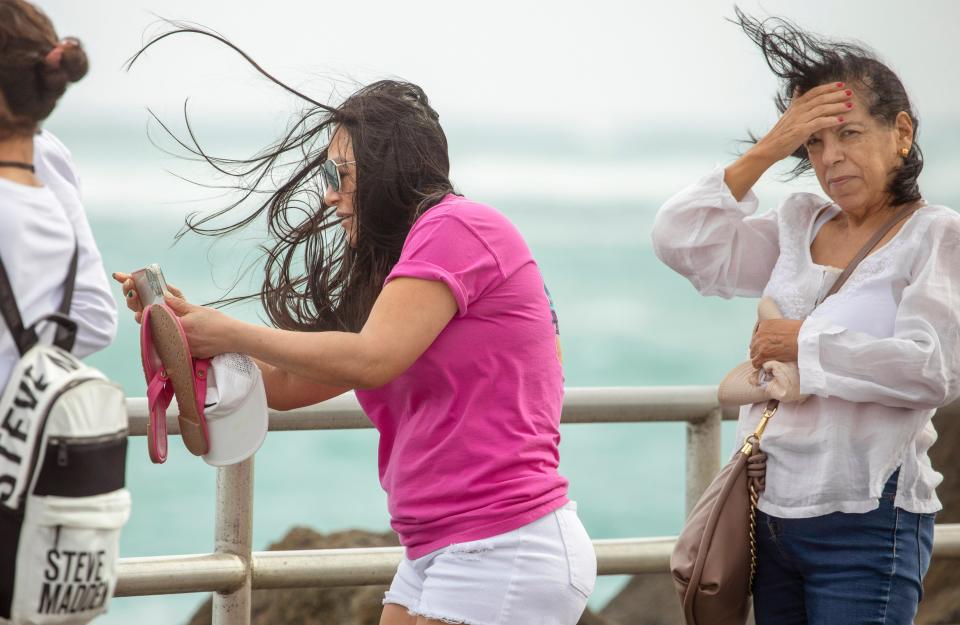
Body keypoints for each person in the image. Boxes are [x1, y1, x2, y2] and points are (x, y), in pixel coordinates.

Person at [114, 28, 595, 625]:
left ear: (387, 170)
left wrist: (230, 332)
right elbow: (287, 388)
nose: (328, 197)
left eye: (340, 175)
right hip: (436, 546)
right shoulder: (402, 272)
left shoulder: (459, 228)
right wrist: (184, 332)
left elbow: (372, 359)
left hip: (503, 543)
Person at [652, 9, 959, 625]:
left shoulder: (937, 235)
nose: (830, 157)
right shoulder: (798, 223)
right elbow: (680, 241)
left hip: (868, 521)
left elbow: (935, 370)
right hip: (770, 514)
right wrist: (769, 148)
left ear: (901, 132)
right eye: (814, 141)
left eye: (848, 133)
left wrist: (804, 343)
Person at [0, 0, 116, 389]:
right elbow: (94, 317)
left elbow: (94, 315)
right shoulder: (43, 182)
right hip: (22, 438)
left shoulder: (40, 158)